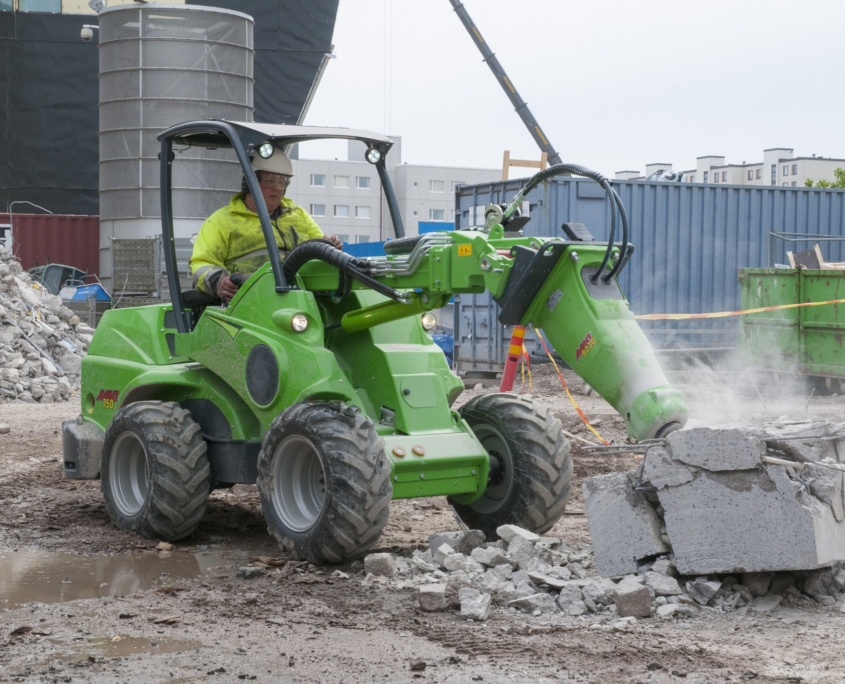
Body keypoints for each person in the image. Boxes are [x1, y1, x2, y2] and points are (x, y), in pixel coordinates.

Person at [190, 149, 342, 300]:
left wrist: (328, 248)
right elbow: (201, 264)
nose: (276, 187)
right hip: (246, 303)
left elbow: (317, 250)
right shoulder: (221, 221)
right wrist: (220, 282)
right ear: (249, 182)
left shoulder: (299, 215)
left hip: (300, 299)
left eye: (282, 181)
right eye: (269, 180)